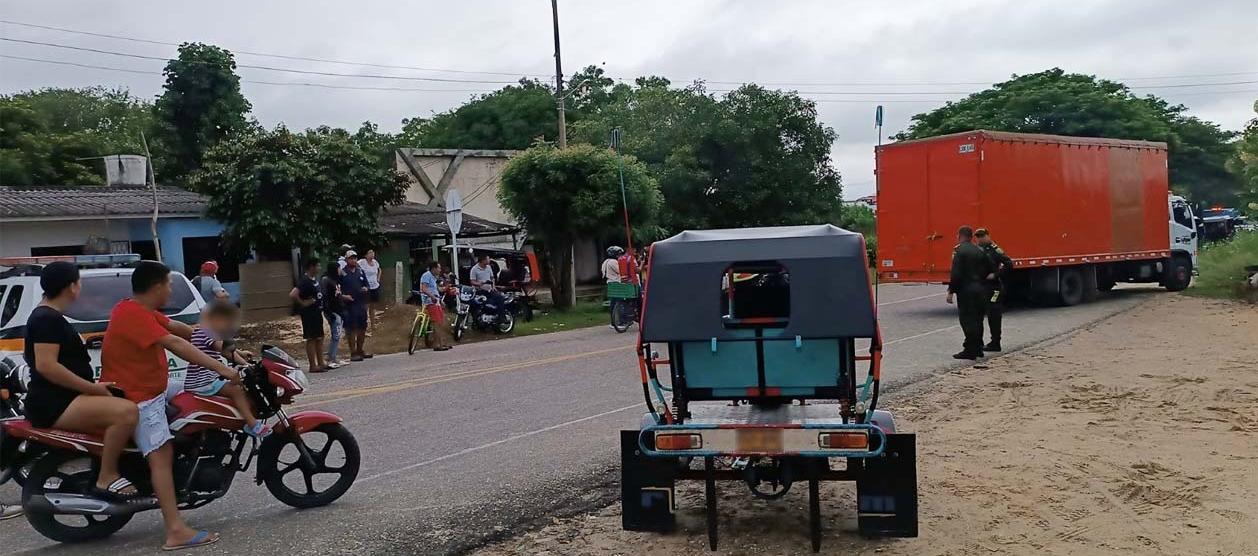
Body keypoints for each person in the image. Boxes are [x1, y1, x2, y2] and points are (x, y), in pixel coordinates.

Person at [101, 260, 232, 550]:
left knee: (193, 396)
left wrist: (223, 344)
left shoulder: (140, 310)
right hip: (138, 395)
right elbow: (177, 344)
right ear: (158, 286)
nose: (171, 288)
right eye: (169, 283)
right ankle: (175, 530)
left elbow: (182, 330)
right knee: (162, 455)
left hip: (153, 387)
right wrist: (222, 369)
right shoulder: (133, 314)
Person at [23, 261, 139, 501]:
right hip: (54, 402)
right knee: (126, 413)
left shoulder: (49, 315)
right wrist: (92, 388)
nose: (80, 287)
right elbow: (47, 365)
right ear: (71, 287)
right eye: (79, 282)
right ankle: (106, 476)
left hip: (63, 397)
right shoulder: (47, 318)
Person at [183, 301, 270, 438]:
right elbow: (225, 351)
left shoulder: (200, 331)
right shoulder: (210, 333)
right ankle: (252, 424)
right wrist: (246, 365)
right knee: (236, 390)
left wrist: (240, 353)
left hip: (200, 379)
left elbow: (226, 349)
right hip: (203, 381)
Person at [945, 226, 994, 360]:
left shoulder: (960, 251)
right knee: (978, 319)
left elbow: (956, 274)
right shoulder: (979, 250)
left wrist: (951, 291)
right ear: (971, 236)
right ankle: (978, 348)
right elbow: (991, 267)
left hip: (966, 291)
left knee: (967, 320)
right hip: (981, 289)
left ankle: (969, 350)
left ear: (959, 236)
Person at [976, 228, 1013, 352]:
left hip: (994, 288)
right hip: (982, 286)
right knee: (980, 313)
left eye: (982, 236)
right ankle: (979, 342)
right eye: (978, 236)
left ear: (988, 236)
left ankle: (995, 342)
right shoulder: (977, 249)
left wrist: (996, 274)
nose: (980, 239)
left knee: (994, 313)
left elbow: (1009, 264)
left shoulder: (995, 249)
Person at [289, 259, 326, 373]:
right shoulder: (304, 281)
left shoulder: (314, 280)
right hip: (309, 313)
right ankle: (313, 365)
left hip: (317, 312)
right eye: (318, 266)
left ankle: (321, 362)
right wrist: (303, 303)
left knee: (319, 337)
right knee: (311, 338)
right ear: (311, 267)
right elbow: (293, 294)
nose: (319, 268)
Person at [339, 251, 372, 362]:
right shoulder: (342, 273)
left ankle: (360, 349)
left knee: (362, 328)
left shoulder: (360, 271)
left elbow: (367, 284)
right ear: (346, 260)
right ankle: (353, 352)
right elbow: (337, 289)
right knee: (351, 329)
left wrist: (366, 288)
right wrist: (343, 297)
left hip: (360, 303)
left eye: (355, 258)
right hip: (349, 304)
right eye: (351, 258)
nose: (353, 260)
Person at [419, 261, 453, 351]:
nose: (440, 270)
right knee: (437, 323)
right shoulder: (426, 275)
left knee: (440, 322)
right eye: (439, 268)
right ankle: (438, 344)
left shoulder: (433, 278)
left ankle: (442, 343)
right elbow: (424, 289)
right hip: (430, 301)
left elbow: (436, 290)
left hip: (435, 301)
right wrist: (432, 297)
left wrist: (445, 290)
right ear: (434, 268)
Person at [321, 262, 346, 369]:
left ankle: (333, 356)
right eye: (338, 268)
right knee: (336, 334)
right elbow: (324, 297)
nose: (340, 270)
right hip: (332, 311)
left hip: (339, 310)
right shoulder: (326, 280)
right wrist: (329, 312)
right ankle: (331, 358)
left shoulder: (336, 279)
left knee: (337, 334)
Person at [362, 249, 382, 330]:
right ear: (365, 255)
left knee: (372, 307)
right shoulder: (362, 262)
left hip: (375, 287)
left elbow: (380, 270)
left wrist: (378, 279)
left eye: (373, 252)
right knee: (365, 307)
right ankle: (364, 325)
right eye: (370, 252)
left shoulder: (375, 262)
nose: (372, 254)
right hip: (366, 288)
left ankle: (373, 325)